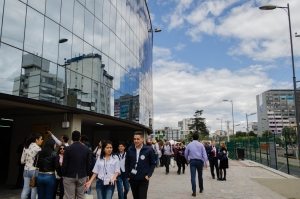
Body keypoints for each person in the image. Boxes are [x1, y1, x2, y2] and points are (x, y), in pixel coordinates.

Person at [125, 131, 156, 199]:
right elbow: (127, 163)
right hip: (133, 178)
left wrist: (149, 175)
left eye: (138, 139)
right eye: (134, 139)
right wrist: (127, 175)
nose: (136, 141)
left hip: (143, 179)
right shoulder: (130, 149)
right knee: (135, 197)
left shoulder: (149, 149)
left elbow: (153, 163)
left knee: (142, 197)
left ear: (142, 139)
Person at [62, 130, 92, 199]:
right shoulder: (86, 149)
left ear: (72, 138)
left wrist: (63, 174)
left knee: (69, 196)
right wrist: (87, 174)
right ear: (80, 138)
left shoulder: (68, 149)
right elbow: (88, 163)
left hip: (69, 175)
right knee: (81, 196)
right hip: (82, 175)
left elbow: (65, 163)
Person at [184, 133, 208, 197]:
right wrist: (206, 162)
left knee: (193, 177)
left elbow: (185, 153)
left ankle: (194, 191)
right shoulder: (201, 145)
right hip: (200, 162)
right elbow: (204, 154)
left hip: (192, 161)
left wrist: (187, 159)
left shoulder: (189, 144)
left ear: (192, 138)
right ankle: (201, 189)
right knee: (200, 176)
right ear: (198, 138)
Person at [20, 133, 43, 199]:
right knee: (34, 190)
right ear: (36, 140)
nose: (42, 140)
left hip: (26, 170)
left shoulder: (26, 147)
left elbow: (22, 161)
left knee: (25, 189)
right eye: (41, 139)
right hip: (34, 170)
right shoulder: (38, 149)